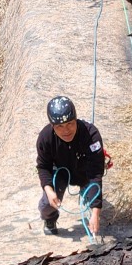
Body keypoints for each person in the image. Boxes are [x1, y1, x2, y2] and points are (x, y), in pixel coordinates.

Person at [36, 95, 105, 237]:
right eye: (59, 126)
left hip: (84, 172)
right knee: (48, 204)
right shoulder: (45, 138)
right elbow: (43, 166)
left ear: (76, 120)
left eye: (70, 124)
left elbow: (96, 173)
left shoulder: (91, 135)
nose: (66, 130)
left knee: (92, 195)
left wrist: (96, 211)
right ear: (52, 126)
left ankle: (86, 197)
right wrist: (49, 190)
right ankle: (49, 220)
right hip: (59, 173)